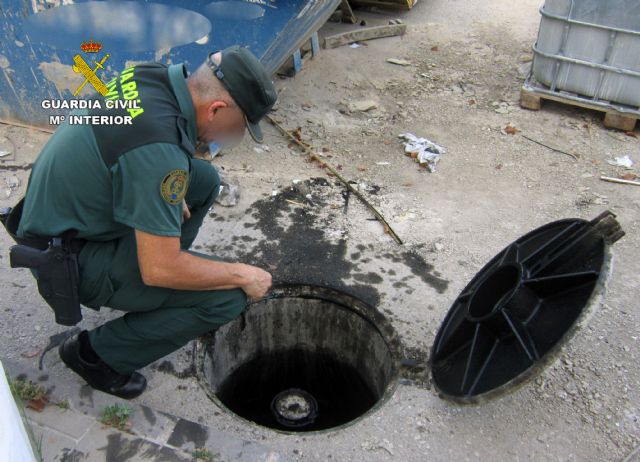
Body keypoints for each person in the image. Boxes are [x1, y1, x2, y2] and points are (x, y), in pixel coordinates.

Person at [13, 45, 277, 399]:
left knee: (203, 181)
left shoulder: (154, 77)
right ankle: (96, 355)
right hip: (68, 257)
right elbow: (158, 269)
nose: (232, 139)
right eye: (237, 128)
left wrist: (162, 179)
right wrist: (242, 274)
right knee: (227, 297)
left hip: (59, 217)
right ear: (217, 109)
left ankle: (160, 267)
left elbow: (143, 149)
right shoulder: (158, 155)